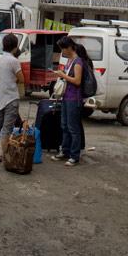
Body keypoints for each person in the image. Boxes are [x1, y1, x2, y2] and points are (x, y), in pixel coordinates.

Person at [0, 33, 25, 163]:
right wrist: (13, 81)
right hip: (11, 99)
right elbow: (22, 79)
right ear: (15, 47)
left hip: (0, 100)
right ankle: (6, 159)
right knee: (6, 130)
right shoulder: (14, 61)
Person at [51, 36, 84, 167]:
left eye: (63, 49)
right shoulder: (70, 60)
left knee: (73, 128)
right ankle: (65, 151)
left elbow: (77, 81)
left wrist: (63, 75)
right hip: (66, 97)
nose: (62, 52)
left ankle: (74, 156)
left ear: (69, 47)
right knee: (64, 125)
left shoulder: (78, 62)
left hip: (74, 98)